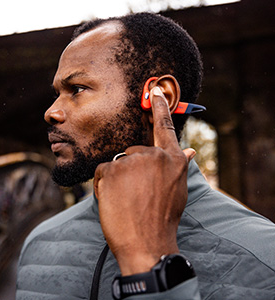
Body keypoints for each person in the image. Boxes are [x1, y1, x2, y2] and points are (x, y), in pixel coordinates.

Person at [16, 12, 275, 300]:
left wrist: (150, 267)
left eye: (77, 89)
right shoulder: (39, 242)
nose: (51, 112)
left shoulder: (264, 254)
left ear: (158, 95)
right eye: (57, 93)